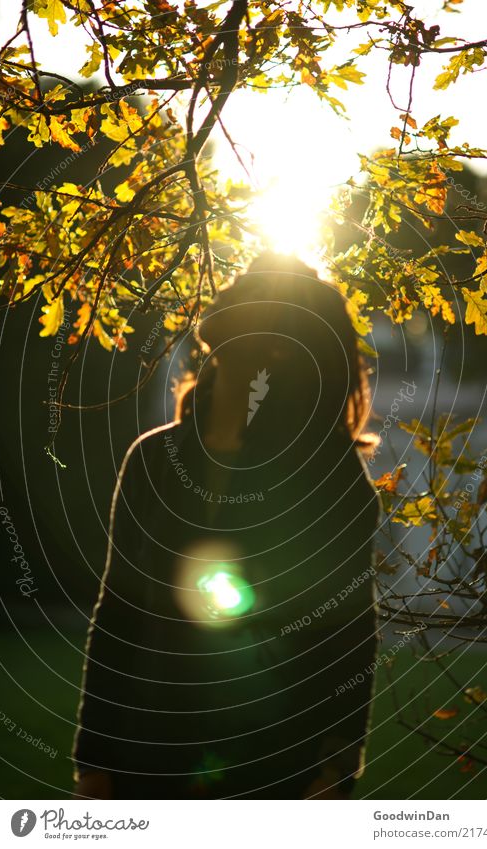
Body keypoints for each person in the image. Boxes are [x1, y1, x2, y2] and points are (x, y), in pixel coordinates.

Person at [73, 252, 381, 799]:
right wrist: (94, 759)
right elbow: (117, 612)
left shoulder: (329, 477)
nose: (228, 290)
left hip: (270, 763)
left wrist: (335, 767)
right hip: (150, 757)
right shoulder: (154, 458)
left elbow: (346, 632)